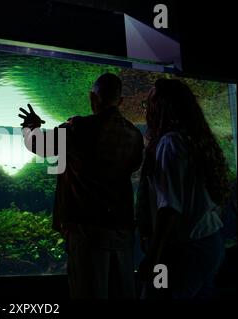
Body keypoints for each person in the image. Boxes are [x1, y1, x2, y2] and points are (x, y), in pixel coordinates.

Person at [18, 73, 144, 298]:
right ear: (121, 101)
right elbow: (133, 166)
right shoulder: (134, 135)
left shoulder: (78, 127)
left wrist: (30, 126)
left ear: (92, 98)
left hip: (87, 231)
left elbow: (38, 144)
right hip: (123, 230)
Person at [136, 79, 229, 299]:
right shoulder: (195, 139)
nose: (147, 109)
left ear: (161, 107)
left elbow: (169, 207)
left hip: (181, 253)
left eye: (149, 103)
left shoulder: (170, 143)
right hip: (210, 243)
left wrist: (153, 255)